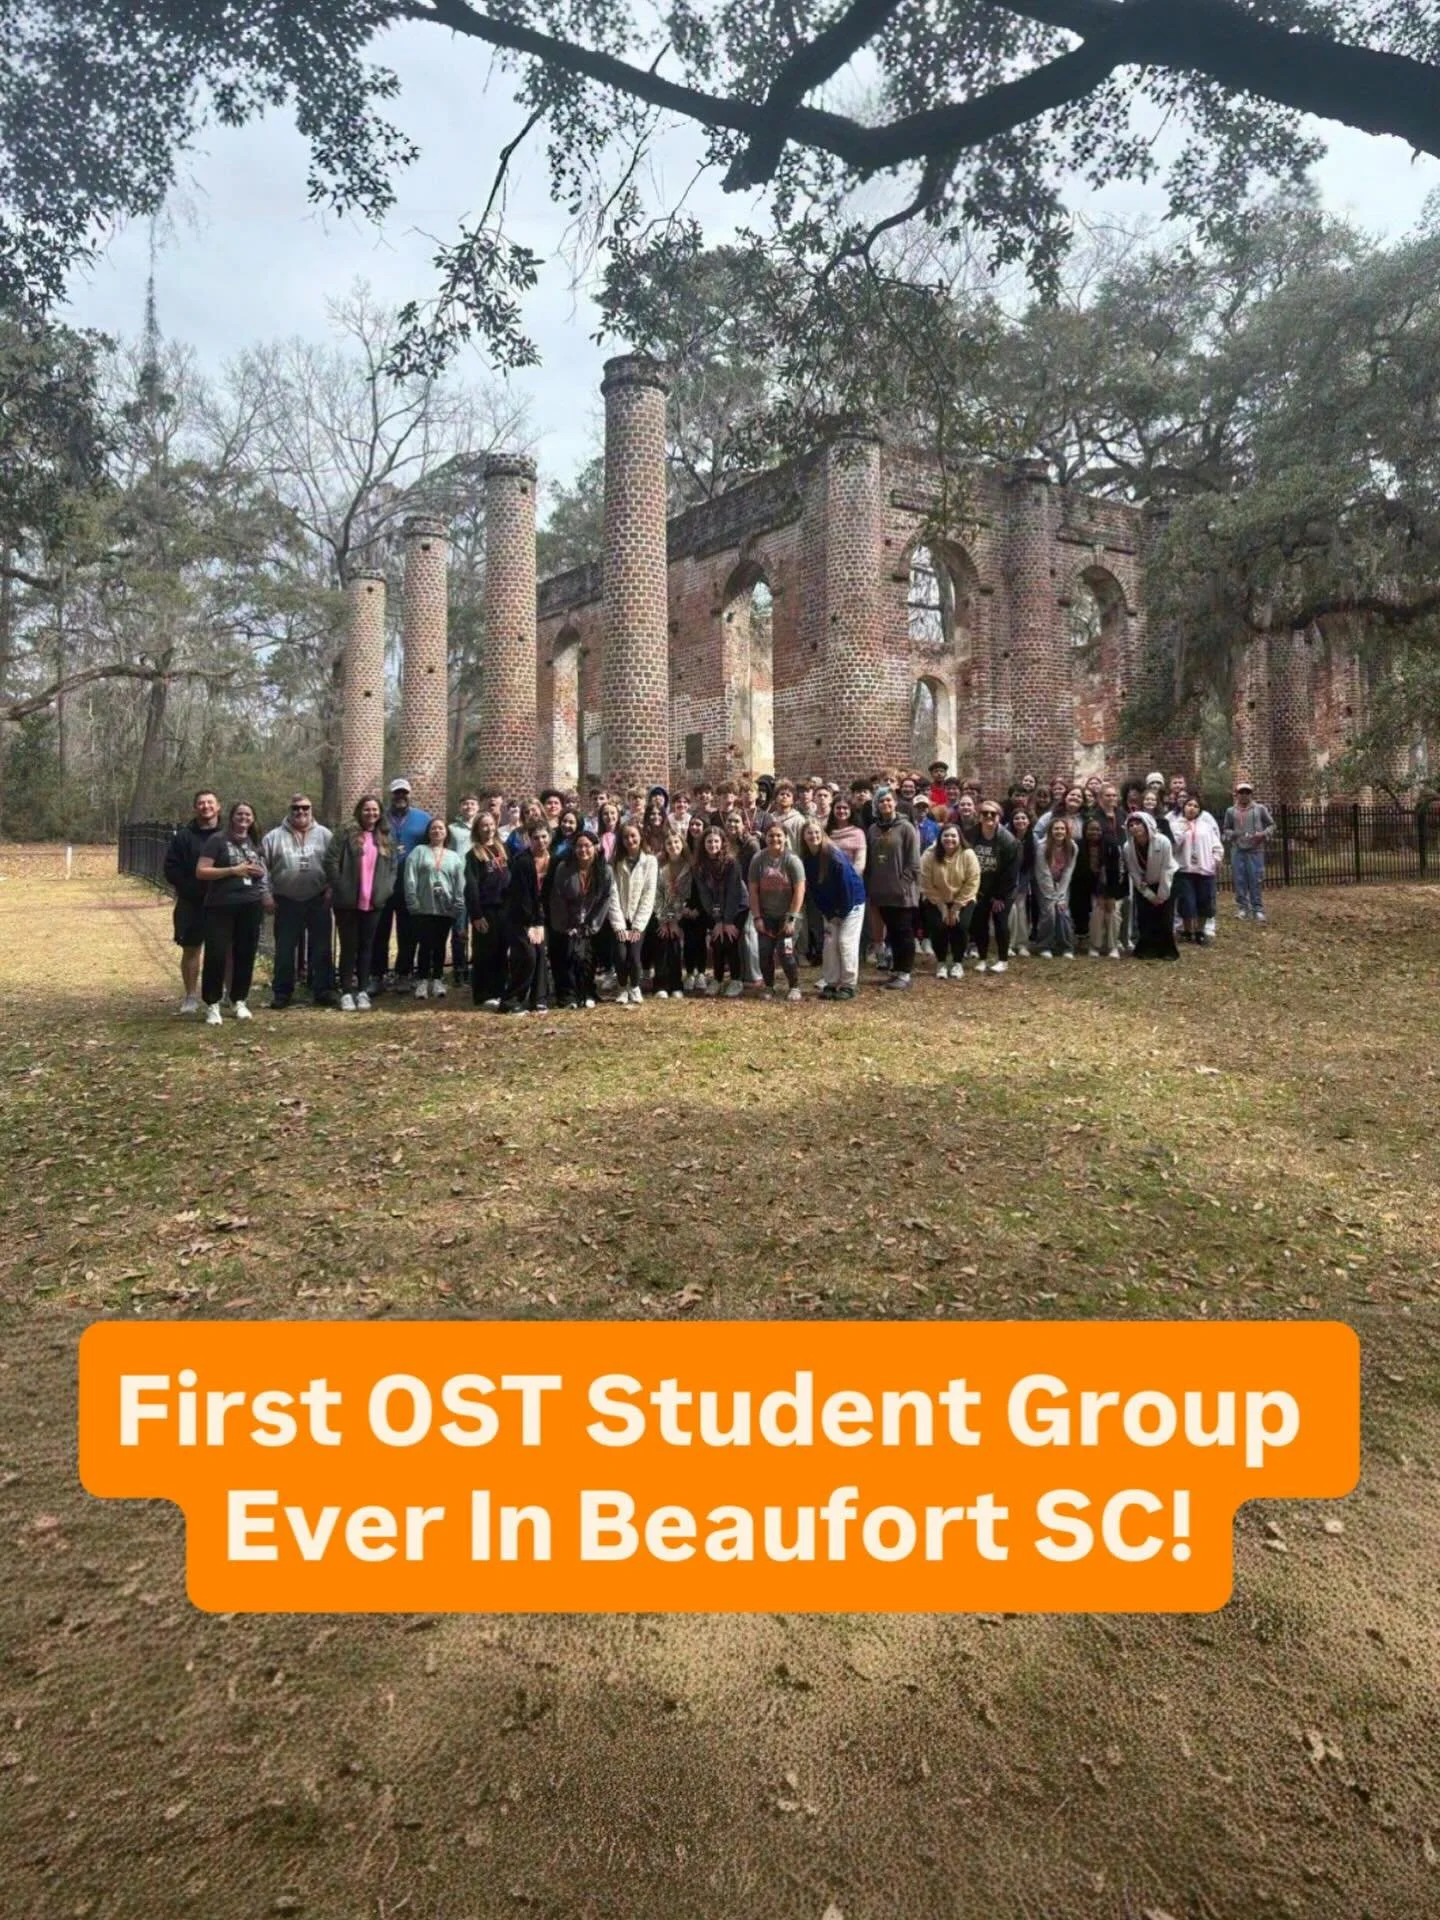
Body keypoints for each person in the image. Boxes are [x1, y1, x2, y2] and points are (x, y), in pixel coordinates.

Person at [195, 801, 270, 1023]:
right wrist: (232, 870)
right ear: (232, 817)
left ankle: (239, 999)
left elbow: (260, 869)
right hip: (221, 905)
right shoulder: (217, 840)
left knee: (245, 953)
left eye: (248, 814)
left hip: (250, 903)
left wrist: (257, 872)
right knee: (216, 953)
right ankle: (212, 1003)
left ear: (253, 818)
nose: (244, 818)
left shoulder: (254, 842)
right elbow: (201, 871)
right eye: (240, 814)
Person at [262, 794, 334, 1009]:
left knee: (321, 947)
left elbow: (334, 864)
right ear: (289, 810)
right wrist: (265, 894)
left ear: (312, 810)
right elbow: (261, 869)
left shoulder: (325, 835)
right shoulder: (273, 837)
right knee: (285, 948)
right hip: (286, 900)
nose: (300, 812)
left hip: (318, 899)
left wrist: (331, 887)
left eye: (305, 808)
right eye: (296, 808)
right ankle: (282, 992)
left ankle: (322, 989)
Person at [326, 795, 395, 1011]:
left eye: (375, 810)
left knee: (367, 947)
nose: (371, 814)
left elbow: (393, 868)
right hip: (347, 902)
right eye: (367, 809)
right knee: (349, 947)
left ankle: (363, 990)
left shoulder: (384, 837)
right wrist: (340, 887)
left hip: (373, 902)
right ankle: (347, 991)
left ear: (380, 813)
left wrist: (386, 890)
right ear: (359, 811)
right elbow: (330, 860)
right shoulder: (346, 834)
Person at [163, 789, 222, 1013]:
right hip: (192, 902)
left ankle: (226, 994)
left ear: (218, 807)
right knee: (191, 949)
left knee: (225, 950)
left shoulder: (228, 835)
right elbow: (171, 869)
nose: (206, 806)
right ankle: (190, 996)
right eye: (201, 803)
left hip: (223, 902)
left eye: (210, 802)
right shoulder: (184, 837)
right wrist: (190, 888)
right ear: (195, 808)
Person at [371, 778, 431, 991]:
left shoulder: (424, 819)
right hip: (384, 883)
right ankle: (376, 975)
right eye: (397, 793)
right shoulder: (380, 817)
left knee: (408, 932)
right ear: (391, 795)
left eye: (404, 793)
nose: (400, 797)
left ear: (409, 794)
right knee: (380, 931)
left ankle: (404, 974)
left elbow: (433, 847)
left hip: (410, 884)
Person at [798, 820, 867, 999]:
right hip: (830, 908)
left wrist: (840, 914)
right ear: (803, 837)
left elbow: (847, 887)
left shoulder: (833, 856)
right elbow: (814, 891)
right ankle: (831, 982)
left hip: (852, 903)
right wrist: (829, 913)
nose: (813, 836)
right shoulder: (807, 859)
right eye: (809, 833)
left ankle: (848, 984)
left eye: (816, 833)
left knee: (845, 942)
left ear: (822, 834)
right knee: (829, 944)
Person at [548, 826, 613, 1009]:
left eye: (587, 846)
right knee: (568, 955)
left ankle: (587, 992)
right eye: (579, 846)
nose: (583, 850)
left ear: (596, 847)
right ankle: (568, 996)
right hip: (567, 922)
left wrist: (592, 924)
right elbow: (558, 897)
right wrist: (568, 925)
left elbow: (605, 899)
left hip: (592, 922)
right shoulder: (564, 868)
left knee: (588, 957)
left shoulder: (605, 871)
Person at [866, 786, 922, 990]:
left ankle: (905, 972)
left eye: (889, 800)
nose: (885, 804)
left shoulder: (906, 828)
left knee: (904, 932)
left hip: (901, 893)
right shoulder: (872, 830)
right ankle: (897, 970)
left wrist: (903, 885)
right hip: (881, 892)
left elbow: (914, 863)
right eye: (881, 801)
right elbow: (871, 861)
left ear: (895, 803)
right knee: (892, 933)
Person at [404, 816, 466, 999]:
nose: (437, 831)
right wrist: (412, 901)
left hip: (444, 908)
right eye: (433, 828)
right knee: (424, 944)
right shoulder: (418, 852)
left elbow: (459, 883)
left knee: (440, 944)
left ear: (446, 833)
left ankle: (438, 979)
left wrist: (457, 904)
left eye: (440, 828)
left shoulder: (453, 857)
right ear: (428, 832)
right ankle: (423, 980)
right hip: (423, 906)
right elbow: (410, 878)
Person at [749, 819, 807, 1002]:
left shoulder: (792, 860)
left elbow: (800, 890)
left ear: (785, 837)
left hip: (788, 916)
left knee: (785, 952)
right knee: (765, 951)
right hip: (766, 915)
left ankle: (794, 986)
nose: (775, 839)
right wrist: (757, 917)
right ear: (765, 838)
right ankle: (769, 986)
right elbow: (753, 890)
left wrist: (791, 918)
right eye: (771, 835)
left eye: (779, 835)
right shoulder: (758, 859)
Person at [501, 823, 554, 1015]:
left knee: (540, 954)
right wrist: (534, 924)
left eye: (544, 837)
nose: (540, 841)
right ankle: (511, 1000)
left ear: (550, 837)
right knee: (527, 956)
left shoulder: (553, 860)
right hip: (520, 917)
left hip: (541, 917)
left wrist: (541, 922)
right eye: (536, 837)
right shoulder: (522, 862)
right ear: (529, 840)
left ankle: (538, 999)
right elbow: (521, 897)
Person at [920, 821, 980, 980]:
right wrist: (942, 907)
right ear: (940, 838)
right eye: (946, 835)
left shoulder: (968, 854)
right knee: (938, 927)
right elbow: (926, 883)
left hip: (963, 899)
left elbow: (973, 882)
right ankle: (941, 962)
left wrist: (956, 908)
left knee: (960, 927)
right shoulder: (929, 855)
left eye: (953, 835)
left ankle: (958, 962)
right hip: (935, 899)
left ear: (960, 838)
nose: (949, 839)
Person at [692, 824, 747, 996]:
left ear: (722, 842)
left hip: (737, 908)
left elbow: (733, 893)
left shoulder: (732, 863)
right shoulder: (699, 866)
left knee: (730, 940)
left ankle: (736, 980)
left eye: (716, 841)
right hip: (715, 909)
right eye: (709, 841)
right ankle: (717, 979)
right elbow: (705, 895)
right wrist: (718, 921)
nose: (713, 845)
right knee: (717, 940)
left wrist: (728, 921)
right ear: (703, 844)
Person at [608, 821, 657, 1005]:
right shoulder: (614, 863)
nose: (630, 840)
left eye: (633, 836)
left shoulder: (650, 862)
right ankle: (622, 987)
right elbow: (612, 894)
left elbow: (648, 894)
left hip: (639, 919)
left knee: (634, 957)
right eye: (626, 837)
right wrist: (619, 925)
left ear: (640, 836)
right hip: (620, 917)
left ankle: (635, 986)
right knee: (620, 956)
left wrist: (637, 926)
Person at [464, 813, 510, 1007]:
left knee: (501, 950)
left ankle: (500, 990)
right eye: (484, 826)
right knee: (485, 952)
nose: (489, 829)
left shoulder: (503, 849)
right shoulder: (474, 854)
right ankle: (484, 993)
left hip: (504, 907)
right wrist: (476, 914)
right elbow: (471, 886)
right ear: (477, 829)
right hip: (486, 909)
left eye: (491, 825)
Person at [971, 800, 1019, 974]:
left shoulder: (1008, 840)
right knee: (979, 922)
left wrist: (999, 896)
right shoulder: (971, 835)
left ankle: (1002, 960)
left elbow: (1011, 872)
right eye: (985, 813)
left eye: (993, 814)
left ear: (999, 817)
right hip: (979, 887)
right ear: (979, 816)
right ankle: (982, 958)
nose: (989, 817)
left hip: (1003, 889)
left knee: (1000, 922)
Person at [1125, 813, 1179, 959]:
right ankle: (1147, 950)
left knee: (1165, 918)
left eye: (1138, 824)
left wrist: (1161, 895)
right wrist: (1148, 894)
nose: (1135, 828)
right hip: (1144, 886)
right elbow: (1134, 872)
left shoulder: (1163, 841)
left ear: (1147, 824)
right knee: (1145, 918)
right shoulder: (1128, 847)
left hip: (1165, 882)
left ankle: (1167, 950)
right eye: (1131, 825)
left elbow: (1167, 868)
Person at [1172, 795, 1224, 943]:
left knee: (1204, 901)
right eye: (1189, 805)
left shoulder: (1206, 826)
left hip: (1204, 869)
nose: (1192, 808)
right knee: (1187, 902)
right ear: (1184, 807)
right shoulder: (1176, 824)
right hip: (1185, 870)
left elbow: (1217, 845)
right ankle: (1188, 931)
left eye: (1195, 806)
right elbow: (1173, 846)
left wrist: (1216, 860)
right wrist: (1182, 831)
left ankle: (1200, 930)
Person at [1223, 779, 1275, 921]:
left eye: (1247, 792)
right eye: (1241, 792)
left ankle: (1257, 909)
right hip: (1238, 849)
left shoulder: (1259, 809)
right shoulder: (1230, 811)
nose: (1244, 795)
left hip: (1255, 850)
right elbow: (1226, 828)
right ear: (1236, 794)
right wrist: (1232, 834)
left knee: (1255, 878)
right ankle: (1242, 908)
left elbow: (1271, 825)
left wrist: (1263, 834)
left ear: (1251, 794)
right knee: (1239, 879)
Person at [1076, 815, 1126, 959]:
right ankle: (1095, 945)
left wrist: (1110, 895)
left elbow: (1118, 872)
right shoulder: (1079, 847)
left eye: (1098, 829)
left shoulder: (1112, 846)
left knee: (1113, 912)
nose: (1095, 832)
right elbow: (1081, 877)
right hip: (1091, 891)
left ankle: (1112, 946)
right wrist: (1099, 895)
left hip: (1114, 888)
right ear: (1085, 831)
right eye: (1091, 830)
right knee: (1097, 910)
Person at [1032, 815, 1079, 959]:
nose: (1059, 831)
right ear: (1050, 831)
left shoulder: (1072, 847)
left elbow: (1068, 872)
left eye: (1062, 829)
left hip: (1061, 885)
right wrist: (1052, 896)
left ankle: (1066, 946)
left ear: (1066, 831)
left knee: (1063, 912)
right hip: (1044, 884)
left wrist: (1060, 896)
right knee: (1049, 913)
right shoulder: (1042, 846)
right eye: (1056, 829)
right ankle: (1044, 946)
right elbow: (1043, 873)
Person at [652, 828, 691, 999]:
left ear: (682, 844)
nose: (673, 845)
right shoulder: (658, 865)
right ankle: (660, 985)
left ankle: (676, 984)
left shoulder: (690, 866)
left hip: (682, 913)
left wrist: (674, 919)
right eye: (669, 843)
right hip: (660, 912)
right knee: (662, 939)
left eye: (676, 842)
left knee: (674, 941)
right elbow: (656, 894)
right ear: (664, 846)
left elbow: (687, 895)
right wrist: (664, 919)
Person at [447, 794, 482, 983]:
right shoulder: (452, 829)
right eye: (465, 803)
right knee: (460, 930)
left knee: (479, 929)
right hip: (459, 885)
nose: (469, 806)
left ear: (478, 807)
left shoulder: (483, 827)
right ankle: (459, 969)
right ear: (460, 807)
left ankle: (477, 967)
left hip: (477, 885)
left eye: (472, 804)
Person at [1007, 803, 1036, 956]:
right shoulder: (1006, 836)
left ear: (1028, 821)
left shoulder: (1033, 839)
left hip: (1024, 878)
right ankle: (1009, 944)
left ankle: (1022, 944)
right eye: (1016, 818)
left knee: (1021, 909)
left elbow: (1032, 865)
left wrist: (1023, 884)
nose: (1020, 821)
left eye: (1023, 818)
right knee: (1010, 910)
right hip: (1007, 879)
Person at [826, 793, 868, 873]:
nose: (841, 811)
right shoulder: (826, 832)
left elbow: (860, 864)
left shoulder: (858, 833)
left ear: (851, 810)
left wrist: (849, 877)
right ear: (833, 810)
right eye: (838, 808)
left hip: (851, 879)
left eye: (845, 808)